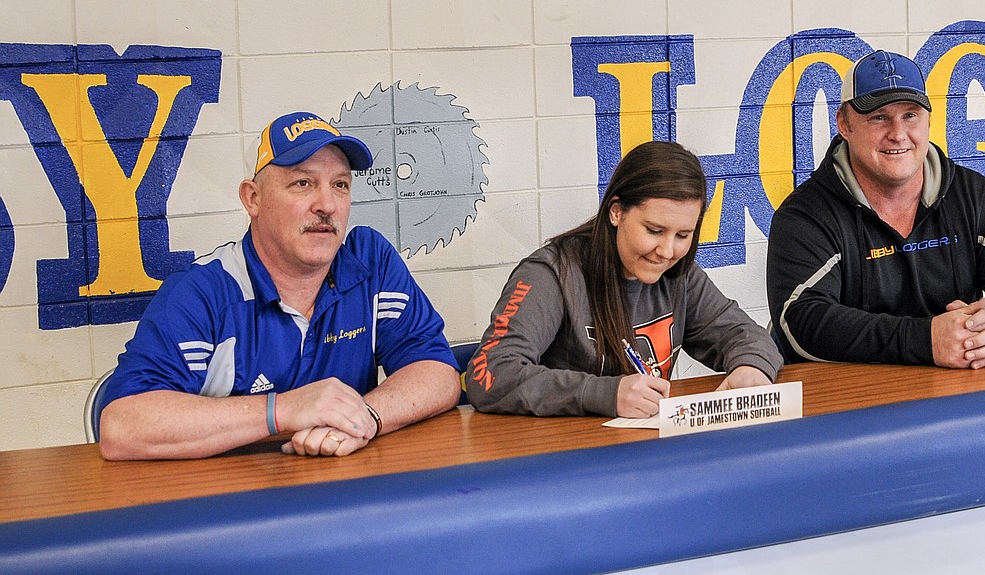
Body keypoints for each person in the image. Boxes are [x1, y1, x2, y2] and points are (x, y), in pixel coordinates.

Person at [98, 111, 460, 460]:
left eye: (340, 185)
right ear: (252, 199)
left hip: (339, 495)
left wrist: (362, 418)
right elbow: (123, 426)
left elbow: (438, 372)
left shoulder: (369, 261)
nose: (327, 205)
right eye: (302, 183)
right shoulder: (204, 291)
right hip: (228, 505)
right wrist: (282, 410)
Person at [767, 49, 985, 369]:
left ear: (927, 122)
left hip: (953, 396)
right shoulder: (804, 216)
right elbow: (799, 321)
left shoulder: (970, 195)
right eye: (879, 117)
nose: (898, 134)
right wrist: (924, 339)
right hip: (850, 403)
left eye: (910, 115)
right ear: (844, 123)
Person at [467, 140, 782, 417]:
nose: (667, 250)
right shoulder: (551, 274)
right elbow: (490, 375)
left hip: (643, 455)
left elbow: (748, 335)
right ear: (616, 212)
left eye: (683, 235)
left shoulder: (679, 275)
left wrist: (751, 369)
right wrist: (604, 394)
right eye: (654, 231)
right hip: (561, 461)